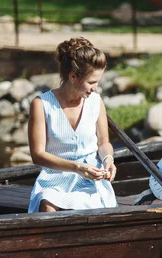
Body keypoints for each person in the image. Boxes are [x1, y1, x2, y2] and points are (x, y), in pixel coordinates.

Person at [27, 37, 117, 213]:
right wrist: (76, 167)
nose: (96, 88)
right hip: (55, 177)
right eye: (91, 82)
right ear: (73, 76)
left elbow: (103, 143)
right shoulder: (41, 104)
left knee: (93, 207)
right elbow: (37, 155)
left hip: (91, 177)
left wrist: (108, 159)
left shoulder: (96, 102)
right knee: (48, 204)